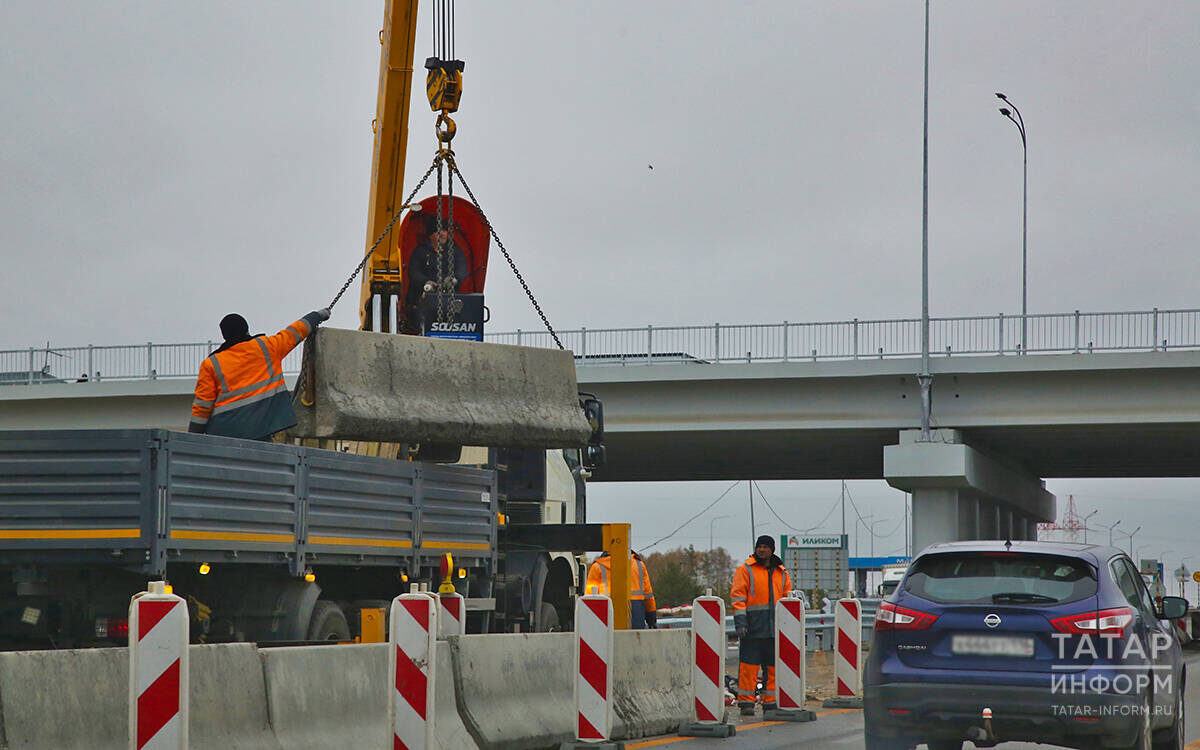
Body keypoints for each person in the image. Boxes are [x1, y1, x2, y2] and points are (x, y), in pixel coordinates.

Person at [188, 309, 329, 440]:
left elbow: (202, 406)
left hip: (225, 434)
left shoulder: (211, 364)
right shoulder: (267, 347)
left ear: (224, 335)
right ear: (247, 329)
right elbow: (295, 331)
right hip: (263, 428)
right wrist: (318, 315)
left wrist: (193, 439)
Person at [731, 534, 793, 715]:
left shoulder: (782, 573)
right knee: (748, 668)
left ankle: (770, 702)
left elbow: (788, 600)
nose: (762, 549)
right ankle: (746, 703)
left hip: (775, 629)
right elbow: (738, 597)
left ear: (772, 549)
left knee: (773, 668)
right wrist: (741, 622)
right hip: (752, 627)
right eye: (760, 546)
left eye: (766, 546)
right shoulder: (745, 569)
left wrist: (787, 626)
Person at [404, 215, 470, 332]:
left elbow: (462, 269)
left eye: (444, 230)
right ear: (430, 235)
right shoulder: (421, 251)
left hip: (449, 297)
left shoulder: (455, 250)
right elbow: (414, 271)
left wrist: (454, 279)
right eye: (437, 231)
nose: (442, 234)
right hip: (423, 297)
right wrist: (425, 281)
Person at [585, 551, 657, 629]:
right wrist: (651, 619)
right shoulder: (639, 565)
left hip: (606, 621)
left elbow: (589, 599)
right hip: (635, 618)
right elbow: (648, 597)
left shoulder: (597, 567)